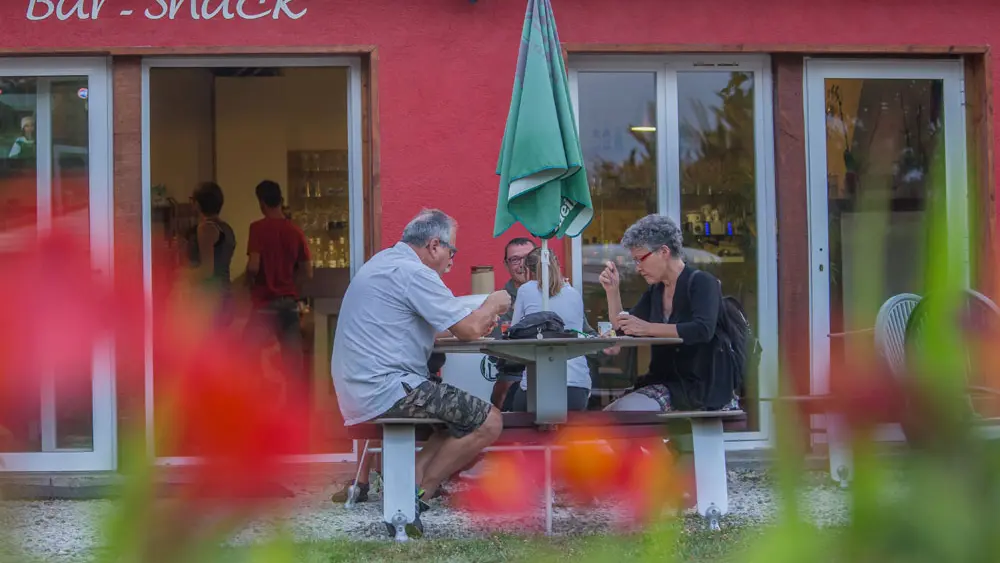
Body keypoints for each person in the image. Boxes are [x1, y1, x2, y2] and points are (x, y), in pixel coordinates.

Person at [331, 209, 507, 529]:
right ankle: (419, 494)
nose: (451, 260)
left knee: (453, 423)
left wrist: (472, 322)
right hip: (386, 387)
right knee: (489, 420)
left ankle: (406, 488)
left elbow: (433, 329)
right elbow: (468, 328)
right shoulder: (415, 272)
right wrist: (493, 303)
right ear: (435, 245)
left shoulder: (383, 263)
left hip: (360, 387)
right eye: (452, 251)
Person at [600, 214, 738, 412]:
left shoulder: (702, 282)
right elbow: (624, 328)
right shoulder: (656, 291)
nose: (638, 268)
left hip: (700, 387)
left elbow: (702, 329)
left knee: (623, 413)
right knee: (609, 415)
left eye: (640, 259)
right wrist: (612, 291)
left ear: (664, 251)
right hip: (665, 383)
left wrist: (648, 328)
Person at [505, 248, 591, 412]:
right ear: (557, 266)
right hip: (577, 383)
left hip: (536, 384)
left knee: (514, 412)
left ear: (528, 271)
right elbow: (577, 331)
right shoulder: (574, 293)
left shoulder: (525, 290)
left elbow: (514, 333)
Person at [244, 180, 312, 384]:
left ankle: (256, 395)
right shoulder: (295, 231)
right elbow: (307, 272)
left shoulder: (257, 228)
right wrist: (292, 286)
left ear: (262, 202)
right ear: (280, 200)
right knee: (293, 364)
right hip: (289, 304)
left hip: (265, 304)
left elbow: (253, 266)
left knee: (246, 353)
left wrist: (248, 283)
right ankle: (294, 401)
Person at [491, 237, 537, 406]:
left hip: (556, 371)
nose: (523, 265)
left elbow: (585, 333)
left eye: (529, 258)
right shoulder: (498, 301)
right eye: (516, 259)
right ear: (506, 265)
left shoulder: (558, 294)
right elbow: (494, 349)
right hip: (513, 376)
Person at [185, 182, 236, 326]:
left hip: (210, 301)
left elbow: (207, 270)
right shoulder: (227, 228)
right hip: (226, 297)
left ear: (197, 204)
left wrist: (183, 275)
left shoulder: (206, 228)